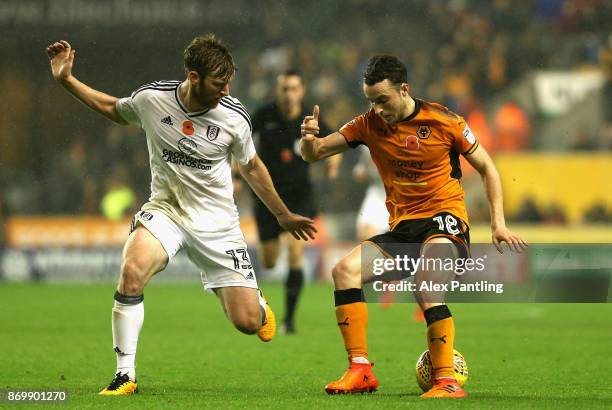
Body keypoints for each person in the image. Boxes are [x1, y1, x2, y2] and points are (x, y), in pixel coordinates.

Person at [46, 35, 317, 396]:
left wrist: (282, 214)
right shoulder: (152, 100)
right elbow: (114, 108)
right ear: (193, 76)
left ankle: (257, 303)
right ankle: (125, 375)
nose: (227, 90)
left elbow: (251, 166)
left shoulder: (234, 117)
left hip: (218, 226)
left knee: (248, 322)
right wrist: (66, 80)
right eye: (219, 84)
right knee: (131, 270)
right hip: (166, 211)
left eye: (228, 82)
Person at [300, 55, 526, 398]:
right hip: (403, 228)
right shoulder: (367, 125)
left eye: (383, 100)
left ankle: (447, 381)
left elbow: (488, 168)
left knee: (426, 283)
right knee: (344, 272)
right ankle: (360, 370)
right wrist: (307, 139)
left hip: (445, 220)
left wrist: (498, 223)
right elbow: (314, 154)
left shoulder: (444, 120)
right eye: (370, 101)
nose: (376, 109)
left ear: (404, 89)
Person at [251, 69, 338, 334]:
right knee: (267, 261)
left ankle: (289, 320)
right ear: (277, 91)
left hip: (300, 195)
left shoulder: (310, 120)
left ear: (301, 91)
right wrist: (235, 172)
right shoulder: (263, 116)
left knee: (295, 252)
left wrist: (332, 166)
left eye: (293, 89)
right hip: (267, 195)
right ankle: (262, 303)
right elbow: (237, 141)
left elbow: (336, 143)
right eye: (284, 89)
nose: (288, 94)